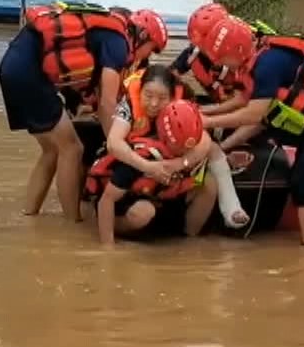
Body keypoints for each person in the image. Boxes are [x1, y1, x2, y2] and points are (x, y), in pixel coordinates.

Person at [201, 19, 304, 246]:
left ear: (235, 51)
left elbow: (254, 115)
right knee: (278, 135)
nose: (218, 62)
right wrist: (208, 115)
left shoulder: (268, 64)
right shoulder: (257, 57)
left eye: (221, 57)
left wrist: (205, 124)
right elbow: (245, 101)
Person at [0, 2, 167, 221]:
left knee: (52, 150)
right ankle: (72, 224)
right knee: (73, 149)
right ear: (143, 35)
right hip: (29, 74)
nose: (148, 57)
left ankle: (30, 216)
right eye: (152, 48)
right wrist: (118, 145)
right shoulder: (119, 43)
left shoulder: (106, 32)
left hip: (12, 67)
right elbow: (107, 105)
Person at [101, 64, 249, 230]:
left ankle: (192, 243)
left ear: (172, 98)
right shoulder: (129, 104)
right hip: (137, 167)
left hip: (174, 167)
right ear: (141, 91)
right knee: (139, 213)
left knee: (209, 184)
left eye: (162, 98)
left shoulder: (183, 102)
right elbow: (114, 143)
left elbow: (205, 142)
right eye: (148, 96)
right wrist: (149, 167)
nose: (154, 104)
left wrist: (178, 165)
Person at [86, 99, 220, 245]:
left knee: (209, 184)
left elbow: (205, 143)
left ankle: (189, 242)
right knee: (143, 212)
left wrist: (181, 163)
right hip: (132, 204)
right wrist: (108, 247)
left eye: (191, 148)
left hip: (166, 200)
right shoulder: (142, 154)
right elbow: (107, 199)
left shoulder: (197, 145)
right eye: (181, 149)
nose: (187, 152)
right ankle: (114, 227)